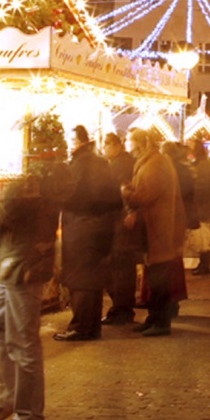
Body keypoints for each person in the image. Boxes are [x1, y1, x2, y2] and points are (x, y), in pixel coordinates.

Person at [0, 173, 58, 420]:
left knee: (23, 342)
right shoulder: (25, 195)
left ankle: (30, 416)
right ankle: (8, 396)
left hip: (22, 270)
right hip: (10, 267)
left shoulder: (32, 198)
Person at [54, 126, 120, 342]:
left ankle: (81, 326)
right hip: (100, 227)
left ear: (76, 140)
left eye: (68, 139)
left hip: (83, 227)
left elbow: (74, 195)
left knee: (81, 278)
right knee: (92, 277)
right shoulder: (99, 161)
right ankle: (90, 326)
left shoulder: (81, 164)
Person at [121, 128, 187, 336]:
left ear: (139, 143)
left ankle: (161, 321)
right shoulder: (151, 161)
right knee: (155, 275)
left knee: (160, 277)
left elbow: (145, 195)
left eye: (129, 140)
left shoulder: (155, 164)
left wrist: (126, 192)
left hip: (159, 228)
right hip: (155, 228)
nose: (126, 143)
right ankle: (154, 317)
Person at [101, 131, 140, 326]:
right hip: (123, 220)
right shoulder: (124, 162)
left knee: (119, 267)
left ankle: (121, 308)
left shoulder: (119, 165)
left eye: (106, 144)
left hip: (121, 222)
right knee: (123, 267)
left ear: (116, 146)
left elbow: (116, 193)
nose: (104, 148)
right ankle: (124, 306)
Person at [190, 142, 210, 275]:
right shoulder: (206, 164)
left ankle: (204, 265)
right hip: (207, 204)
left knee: (203, 236)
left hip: (203, 205)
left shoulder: (202, 166)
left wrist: (193, 190)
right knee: (204, 235)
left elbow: (202, 186)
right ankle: (203, 263)